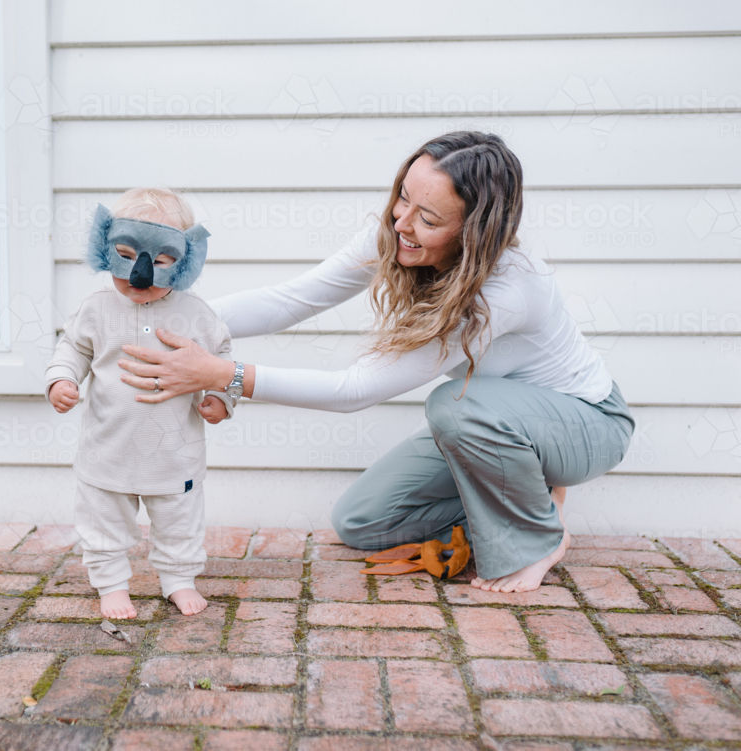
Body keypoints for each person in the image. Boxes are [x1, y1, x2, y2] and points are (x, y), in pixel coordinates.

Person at [114, 131, 636, 594]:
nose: (401, 222)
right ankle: (530, 500)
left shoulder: (506, 289)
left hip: (584, 424)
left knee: (454, 406)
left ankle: (535, 540)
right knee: (363, 521)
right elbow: (291, 300)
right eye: (403, 199)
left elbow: (354, 391)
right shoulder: (397, 234)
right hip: (496, 423)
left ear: (475, 231)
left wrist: (226, 375)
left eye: (428, 219)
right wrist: (177, 318)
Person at [46, 188, 234, 619]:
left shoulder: (197, 314)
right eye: (125, 255)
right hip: (108, 451)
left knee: (179, 521)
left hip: (175, 454)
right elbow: (71, 348)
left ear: (184, 260)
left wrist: (221, 396)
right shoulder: (96, 309)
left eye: (161, 261)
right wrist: (62, 379)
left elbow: (222, 357)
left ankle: (179, 579)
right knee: (104, 523)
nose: (140, 275)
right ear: (106, 247)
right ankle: (111, 584)